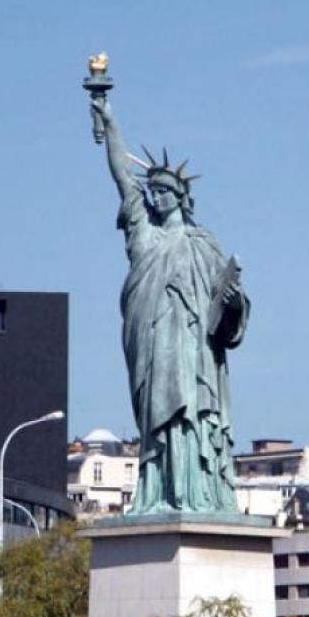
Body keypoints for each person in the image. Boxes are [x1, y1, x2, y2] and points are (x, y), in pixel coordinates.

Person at [91, 98, 250, 515]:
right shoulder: (144, 231)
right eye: (154, 191)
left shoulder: (204, 244)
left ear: (182, 197)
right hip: (151, 343)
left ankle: (196, 495)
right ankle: (159, 492)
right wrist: (110, 123)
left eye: (165, 192)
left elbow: (230, 308)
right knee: (156, 420)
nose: (157, 198)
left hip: (194, 352)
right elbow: (123, 176)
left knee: (191, 415)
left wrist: (233, 307)